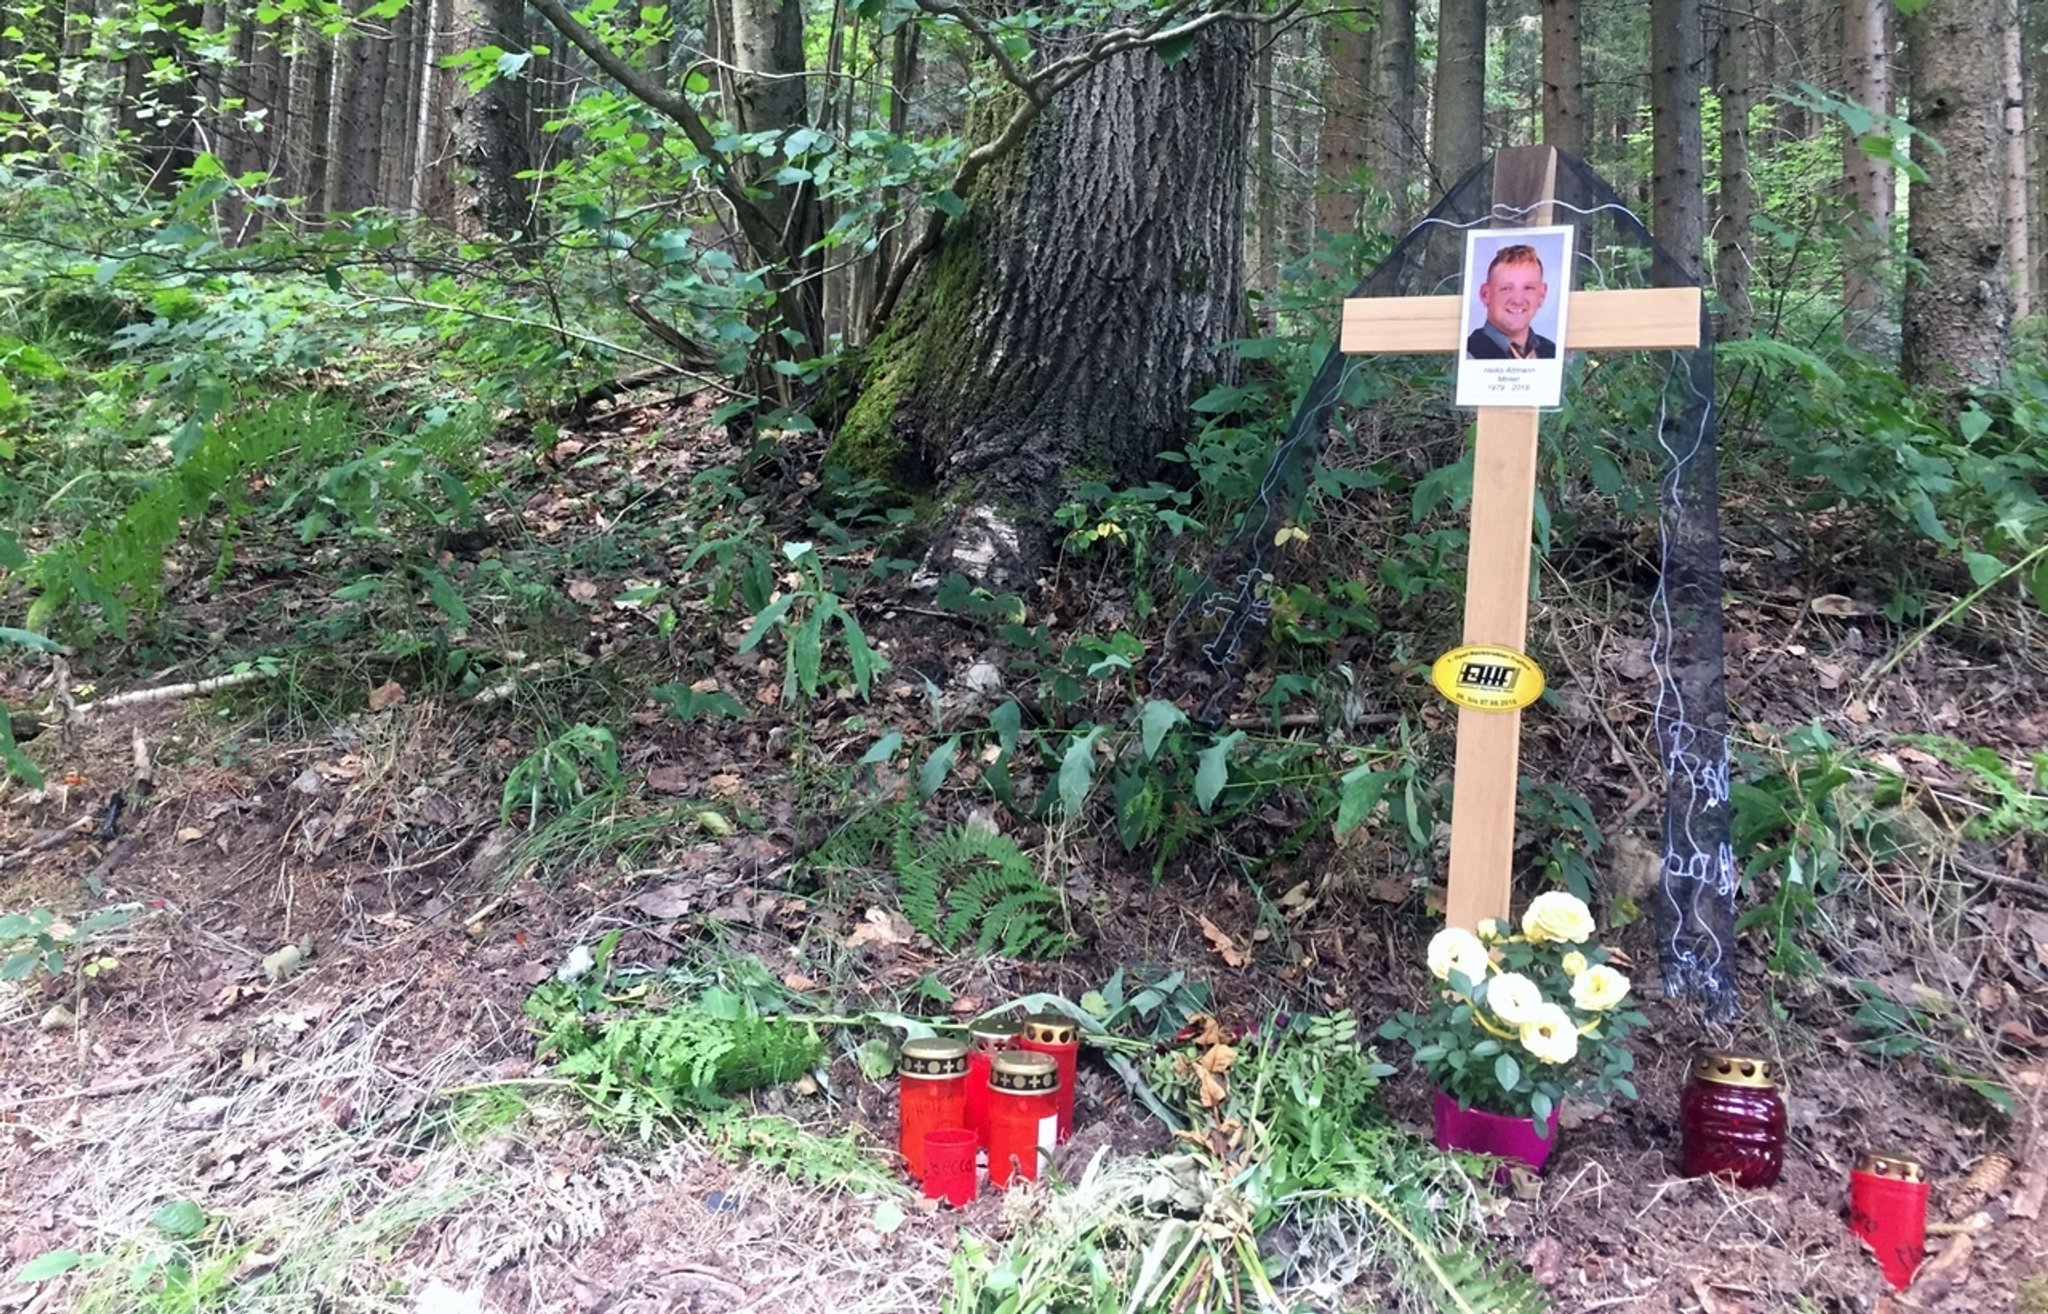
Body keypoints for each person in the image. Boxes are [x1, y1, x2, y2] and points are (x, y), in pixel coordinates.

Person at [1465, 244, 1557, 360]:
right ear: (1485, 294)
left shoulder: (1552, 353)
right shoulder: (1468, 355)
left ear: (1542, 294)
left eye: (1528, 288)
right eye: (1506, 289)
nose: (1517, 301)